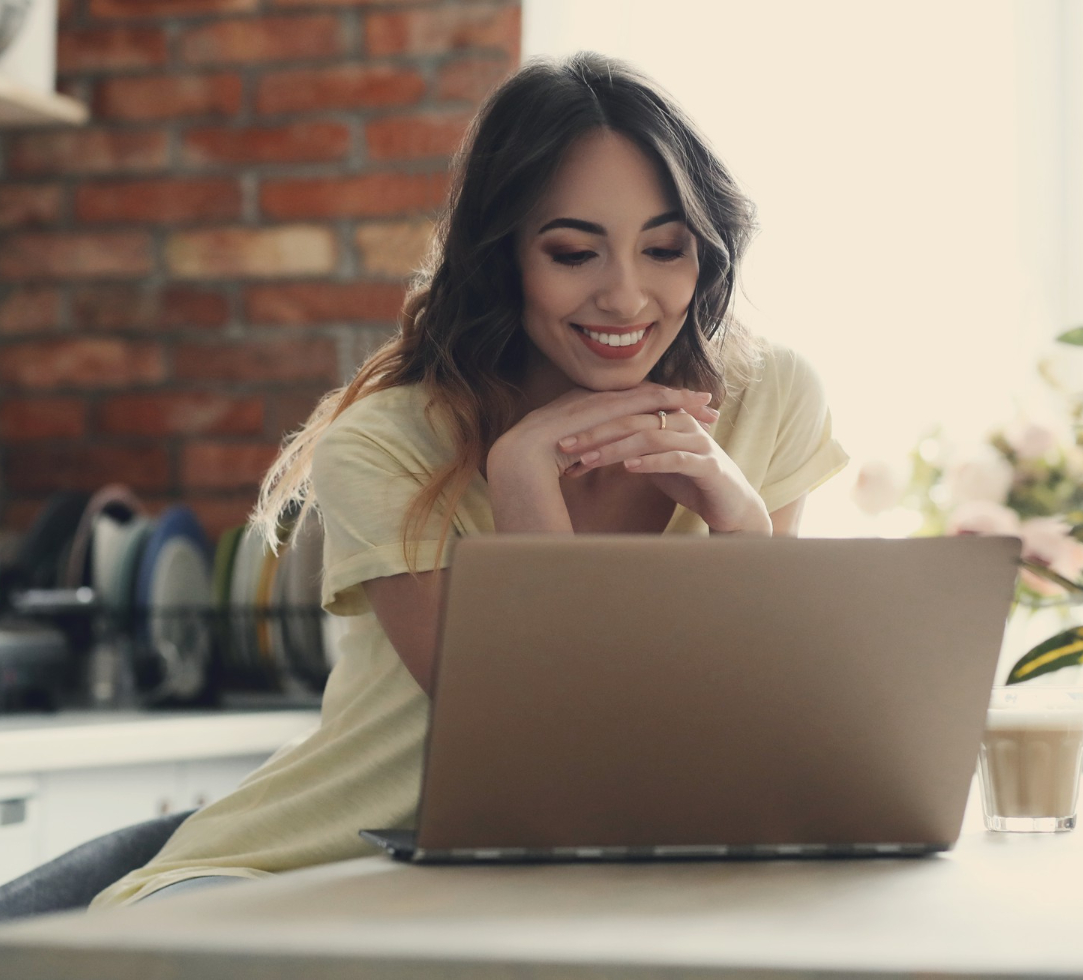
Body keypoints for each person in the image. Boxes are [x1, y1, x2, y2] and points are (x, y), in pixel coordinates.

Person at [90, 51, 848, 908]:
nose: (627, 297)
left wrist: (744, 529)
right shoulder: (385, 444)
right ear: (503, 261)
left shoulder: (767, 397)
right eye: (573, 253)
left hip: (556, 892)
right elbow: (543, 755)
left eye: (665, 249)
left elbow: (748, 736)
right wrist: (523, 487)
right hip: (299, 876)